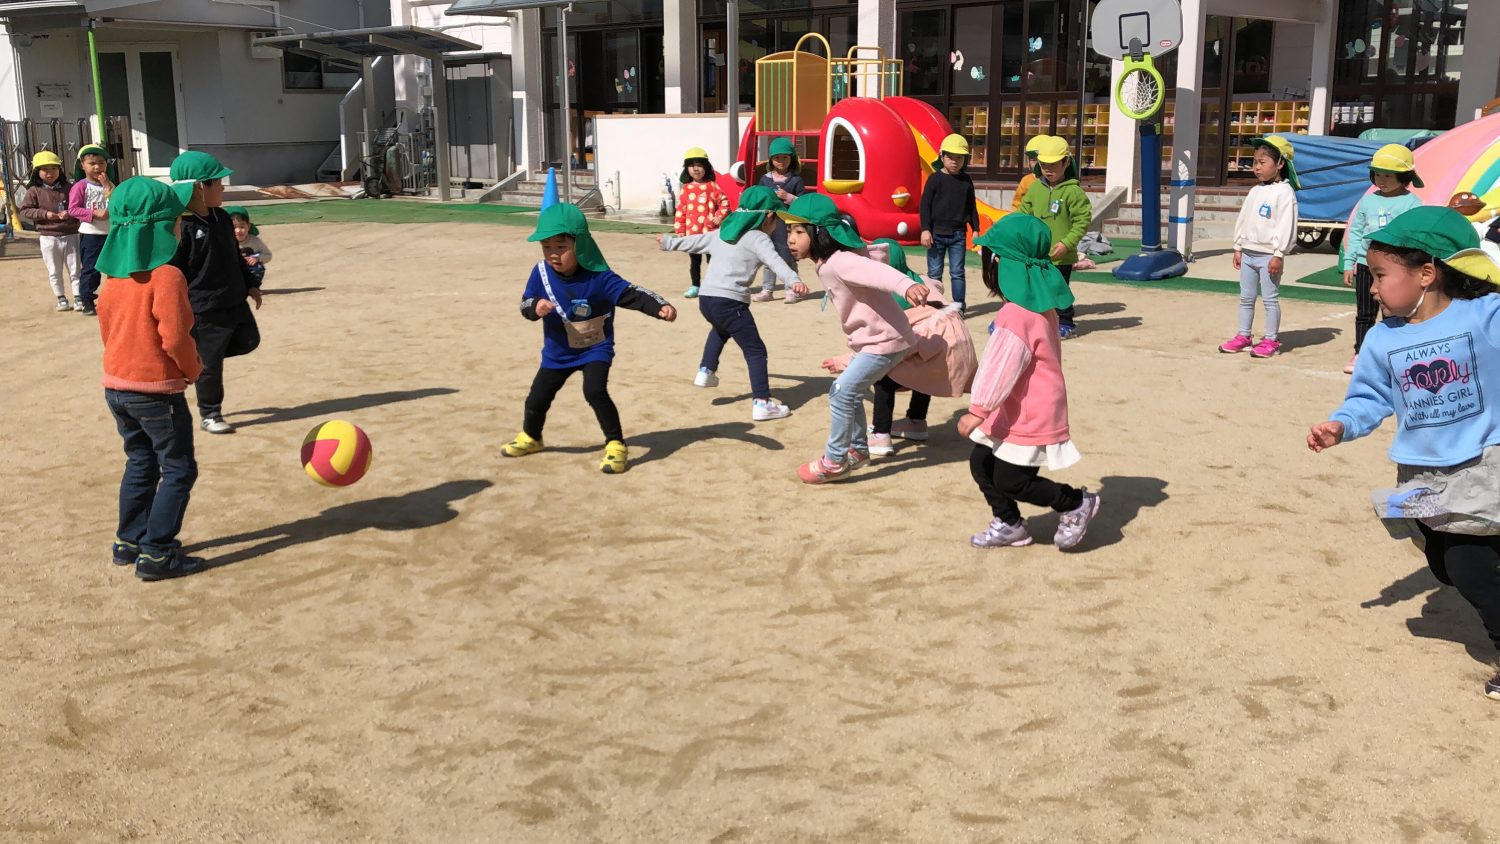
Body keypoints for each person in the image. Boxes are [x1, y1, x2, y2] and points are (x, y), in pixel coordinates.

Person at [1307, 207, 1500, 700]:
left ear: (1427, 274)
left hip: (1482, 465)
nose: (1372, 288)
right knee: (1441, 565)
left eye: (1380, 275)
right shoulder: (1382, 338)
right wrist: (1341, 425)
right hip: (1419, 472)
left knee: (1469, 568)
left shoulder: (1483, 316)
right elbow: (1369, 397)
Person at [503, 203, 677, 474]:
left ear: (581, 244)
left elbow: (631, 294)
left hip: (595, 348)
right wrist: (535, 307)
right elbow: (525, 303)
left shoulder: (599, 276)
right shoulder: (540, 273)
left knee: (594, 391)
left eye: (561, 247)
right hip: (558, 352)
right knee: (536, 398)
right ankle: (531, 437)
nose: (553, 254)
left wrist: (660, 307)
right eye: (546, 247)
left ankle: (616, 443)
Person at [962, 214, 1101, 550]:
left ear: (998, 265)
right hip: (1015, 405)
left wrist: (978, 409)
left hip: (1028, 409)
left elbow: (1001, 368)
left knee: (1012, 480)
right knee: (982, 462)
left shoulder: (1016, 314)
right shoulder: (1036, 306)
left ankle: (1075, 503)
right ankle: (1009, 523)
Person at [94, 176, 206, 581]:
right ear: (162, 227)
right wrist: (193, 369)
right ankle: (157, 553)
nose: (180, 225)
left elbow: (108, 331)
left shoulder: (113, 280)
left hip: (116, 386)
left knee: (140, 461)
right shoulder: (167, 276)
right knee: (178, 468)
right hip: (156, 392)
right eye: (176, 219)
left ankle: (128, 541)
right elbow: (175, 337)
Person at [779, 194, 928, 483]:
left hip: (886, 340)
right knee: (850, 391)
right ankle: (858, 449)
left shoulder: (840, 261)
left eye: (799, 232)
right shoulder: (828, 262)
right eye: (788, 232)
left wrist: (906, 285)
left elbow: (877, 271)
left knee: (841, 391)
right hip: (872, 339)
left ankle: (835, 461)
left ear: (819, 233)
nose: (791, 239)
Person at [658, 186, 808, 421]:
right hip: (730, 302)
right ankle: (762, 403)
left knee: (720, 329)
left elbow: (695, 242)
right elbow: (775, 262)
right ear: (768, 216)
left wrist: (669, 243)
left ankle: (706, 371)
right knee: (755, 350)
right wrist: (794, 280)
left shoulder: (723, 233)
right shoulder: (758, 238)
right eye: (777, 219)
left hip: (707, 299)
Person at [168, 151, 262, 435]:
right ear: (199, 187)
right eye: (218, 182)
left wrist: (251, 284)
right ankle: (210, 412)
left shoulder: (221, 218)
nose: (222, 187)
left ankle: (197, 362)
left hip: (234, 299)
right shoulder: (181, 225)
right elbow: (174, 271)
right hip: (204, 307)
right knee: (210, 363)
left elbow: (235, 256)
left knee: (249, 340)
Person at [1341, 145, 1424, 374]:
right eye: (1378, 174)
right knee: (1365, 313)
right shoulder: (1368, 201)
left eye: (1388, 175)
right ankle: (1362, 352)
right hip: (1365, 264)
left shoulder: (1412, 203)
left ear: (1404, 177)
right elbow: (1356, 232)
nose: (1381, 180)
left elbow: (1415, 235)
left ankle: (1392, 352)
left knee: (1394, 311)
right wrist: (1349, 263)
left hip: (1396, 268)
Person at [1221, 136, 1299, 359]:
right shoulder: (1255, 191)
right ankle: (1244, 335)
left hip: (1268, 256)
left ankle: (1271, 339)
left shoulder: (1285, 193)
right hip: (1248, 253)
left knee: (1270, 299)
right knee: (1246, 298)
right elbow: (1244, 219)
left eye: (1262, 162)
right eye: (1255, 162)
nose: (1256, 167)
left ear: (1280, 164)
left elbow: (1286, 225)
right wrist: (1238, 246)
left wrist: (1278, 254)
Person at [1016, 136, 1091, 339]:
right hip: (1036, 253)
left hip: (1061, 255)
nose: (1048, 170)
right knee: (1033, 289)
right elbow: (1023, 213)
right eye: (1044, 165)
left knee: (1059, 290)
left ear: (1066, 162)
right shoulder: (1035, 188)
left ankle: (1066, 323)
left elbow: (1082, 221)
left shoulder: (1073, 191)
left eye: (1054, 164)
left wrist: (1067, 244)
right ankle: (1029, 323)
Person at [868, 237, 937, 455]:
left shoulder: (886, 292)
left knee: (883, 379)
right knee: (923, 374)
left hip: (904, 351)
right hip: (931, 354)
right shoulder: (918, 281)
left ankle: (880, 433)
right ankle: (916, 421)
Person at [919, 134, 980, 312]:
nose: (954, 161)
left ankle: (958, 306)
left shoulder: (966, 181)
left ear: (965, 159)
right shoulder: (934, 179)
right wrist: (925, 229)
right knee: (934, 273)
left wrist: (976, 229)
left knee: (957, 272)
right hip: (935, 234)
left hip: (958, 235)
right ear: (942, 156)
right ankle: (934, 305)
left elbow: (971, 206)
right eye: (950, 157)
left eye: (959, 158)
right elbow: (925, 205)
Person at [17, 150, 80, 312]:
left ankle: (78, 297)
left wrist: (70, 212)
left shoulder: (70, 188)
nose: (50, 173)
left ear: (60, 170)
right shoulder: (34, 191)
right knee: (54, 270)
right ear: (37, 172)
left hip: (71, 234)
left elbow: (79, 206)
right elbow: (25, 210)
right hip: (48, 237)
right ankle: (61, 298)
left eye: (54, 168)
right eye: (45, 169)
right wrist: (45, 214)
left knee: (75, 269)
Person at [753, 137, 807, 302]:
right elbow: (759, 199)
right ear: (771, 159)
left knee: (788, 256)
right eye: (777, 157)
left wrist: (788, 197)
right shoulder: (765, 180)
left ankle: (792, 290)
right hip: (769, 225)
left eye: (785, 157)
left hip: (788, 226)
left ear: (791, 158)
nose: (781, 161)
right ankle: (767, 290)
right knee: (769, 256)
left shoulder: (796, 180)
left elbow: (803, 203)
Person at [674, 146, 729, 299]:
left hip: (710, 233)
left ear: (706, 167)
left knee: (712, 260)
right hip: (692, 234)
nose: (696, 169)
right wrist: (680, 230)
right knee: (694, 262)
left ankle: (714, 285)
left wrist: (719, 216)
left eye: (699, 165)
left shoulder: (712, 186)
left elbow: (725, 203)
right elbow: (680, 210)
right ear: (687, 169)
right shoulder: (686, 189)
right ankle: (695, 286)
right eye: (692, 165)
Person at [68, 143, 114, 316]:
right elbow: (73, 209)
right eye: (92, 163)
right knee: (91, 268)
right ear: (82, 165)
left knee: (113, 266)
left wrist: (107, 186)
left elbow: (116, 202)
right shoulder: (80, 186)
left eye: (101, 163)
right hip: (91, 234)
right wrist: (93, 213)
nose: (97, 167)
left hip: (110, 233)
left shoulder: (109, 184)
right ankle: (86, 300)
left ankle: (113, 298)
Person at [226, 206, 272, 286]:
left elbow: (268, 255)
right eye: (234, 227)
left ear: (248, 226)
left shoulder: (255, 241)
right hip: (232, 271)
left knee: (259, 267)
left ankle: (252, 287)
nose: (238, 231)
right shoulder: (225, 242)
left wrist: (257, 258)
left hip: (249, 270)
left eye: (242, 227)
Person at [1009, 135, 1049, 213]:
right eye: (1033, 160)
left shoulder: (1056, 181)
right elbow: (1017, 203)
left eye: (1040, 160)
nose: (1037, 163)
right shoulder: (1026, 180)